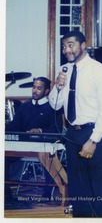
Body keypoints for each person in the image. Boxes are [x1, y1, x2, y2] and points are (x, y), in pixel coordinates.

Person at [49, 31, 102, 217]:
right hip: (73, 134)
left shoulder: (101, 72)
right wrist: (58, 86)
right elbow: (54, 104)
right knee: (78, 188)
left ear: (83, 45)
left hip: (96, 134)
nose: (66, 50)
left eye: (71, 45)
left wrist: (93, 141)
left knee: (99, 188)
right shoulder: (65, 70)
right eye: (64, 46)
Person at [5, 77, 63, 208]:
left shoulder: (53, 107)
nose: (35, 91)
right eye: (34, 87)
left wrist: (41, 130)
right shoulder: (25, 106)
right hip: (22, 147)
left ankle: (47, 194)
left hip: (43, 148)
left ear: (47, 91)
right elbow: (14, 126)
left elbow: (57, 130)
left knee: (48, 158)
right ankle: (6, 192)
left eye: (39, 88)